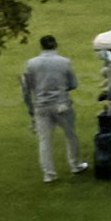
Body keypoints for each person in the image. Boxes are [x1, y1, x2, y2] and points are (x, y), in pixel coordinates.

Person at [19, 34, 77, 185]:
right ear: (55, 45)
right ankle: (75, 164)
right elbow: (73, 83)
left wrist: (30, 108)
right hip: (62, 104)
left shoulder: (31, 64)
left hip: (41, 105)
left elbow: (26, 89)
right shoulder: (64, 62)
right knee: (70, 135)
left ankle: (48, 174)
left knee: (44, 141)